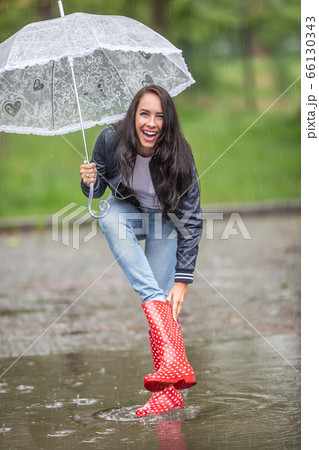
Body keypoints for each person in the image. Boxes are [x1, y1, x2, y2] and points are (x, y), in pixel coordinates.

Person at [80, 85, 202, 417]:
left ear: (168, 121)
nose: (151, 123)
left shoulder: (181, 155)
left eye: (159, 116)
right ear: (134, 114)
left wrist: (183, 278)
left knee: (163, 297)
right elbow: (100, 188)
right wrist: (89, 180)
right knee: (107, 213)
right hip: (128, 215)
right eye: (145, 114)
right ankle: (177, 366)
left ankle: (170, 392)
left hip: (164, 220)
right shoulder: (110, 140)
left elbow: (190, 219)